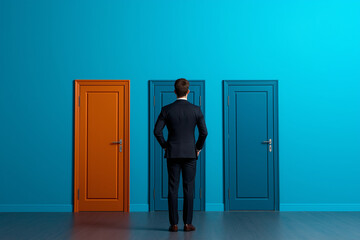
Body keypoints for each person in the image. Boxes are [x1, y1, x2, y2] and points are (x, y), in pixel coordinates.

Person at [154, 78, 208, 232]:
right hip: (190, 154)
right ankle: (187, 223)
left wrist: (166, 146)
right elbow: (204, 132)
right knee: (188, 188)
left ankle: (174, 224)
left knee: (172, 188)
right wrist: (197, 148)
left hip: (172, 153)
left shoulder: (167, 109)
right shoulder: (196, 109)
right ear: (188, 92)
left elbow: (157, 131)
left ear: (175, 91)